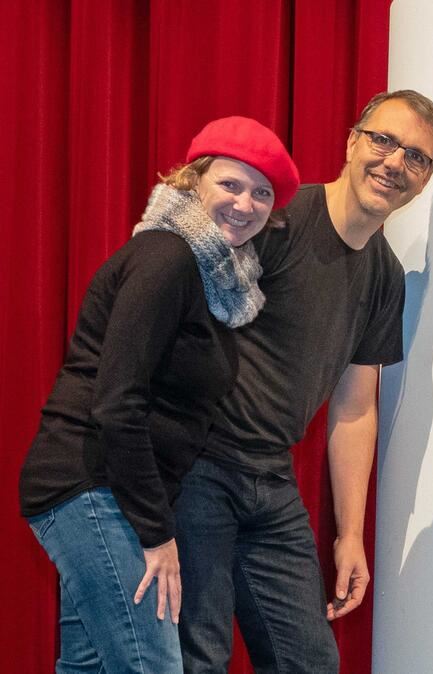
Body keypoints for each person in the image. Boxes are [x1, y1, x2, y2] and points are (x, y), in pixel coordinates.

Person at [174, 90, 433, 672]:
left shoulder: (385, 276)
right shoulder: (275, 220)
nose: (394, 162)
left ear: (424, 180)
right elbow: (176, 315)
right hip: (197, 465)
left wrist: (350, 535)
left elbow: (355, 408)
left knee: (310, 662)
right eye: (383, 140)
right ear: (352, 143)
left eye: (416, 157)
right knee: (197, 658)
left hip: (270, 479)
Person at [19, 116, 299, 673]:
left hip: (113, 493)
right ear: (193, 181)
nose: (245, 204)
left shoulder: (213, 280)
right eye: (231, 184)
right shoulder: (167, 257)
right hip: (90, 485)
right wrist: (156, 535)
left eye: (262, 193)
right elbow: (117, 403)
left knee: (90, 667)